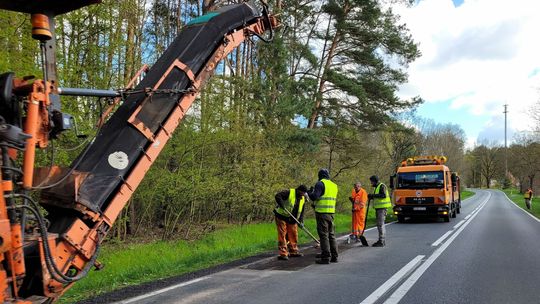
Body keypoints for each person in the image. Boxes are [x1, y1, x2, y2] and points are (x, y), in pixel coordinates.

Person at [308, 168, 339, 264]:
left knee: (323, 235)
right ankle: (334, 256)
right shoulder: (334, 185)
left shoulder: (320, 184)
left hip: (322, 213)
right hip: (331, 213)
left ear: (320, 176)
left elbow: (315, 197)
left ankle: (325, 257)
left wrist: (309, 193)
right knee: (331, 235)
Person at [274, 185, 309, 260]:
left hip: (293, 219)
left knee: (293, 234)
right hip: (282, 216)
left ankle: (293, 251)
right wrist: (282, 205)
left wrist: (301, 221)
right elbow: (277, 196)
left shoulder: (303, 199)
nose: (303, 194)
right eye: (302, 192)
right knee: (282, 234)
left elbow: (301, 211)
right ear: (299, 190)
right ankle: (283, 253)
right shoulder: (289, 192)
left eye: (304, 193)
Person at [367, 175, 392, 247]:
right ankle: (381, 240)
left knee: (380, 225)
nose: (371, 183)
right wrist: (372, 196)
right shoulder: (377, 187)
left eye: (371, 182)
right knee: (379, 225)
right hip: (379, 208)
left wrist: (373, 195)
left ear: (375, 181)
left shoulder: (382, 186)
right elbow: (378, 196)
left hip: (382, 208)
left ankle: (381, 241)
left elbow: (383, 195)